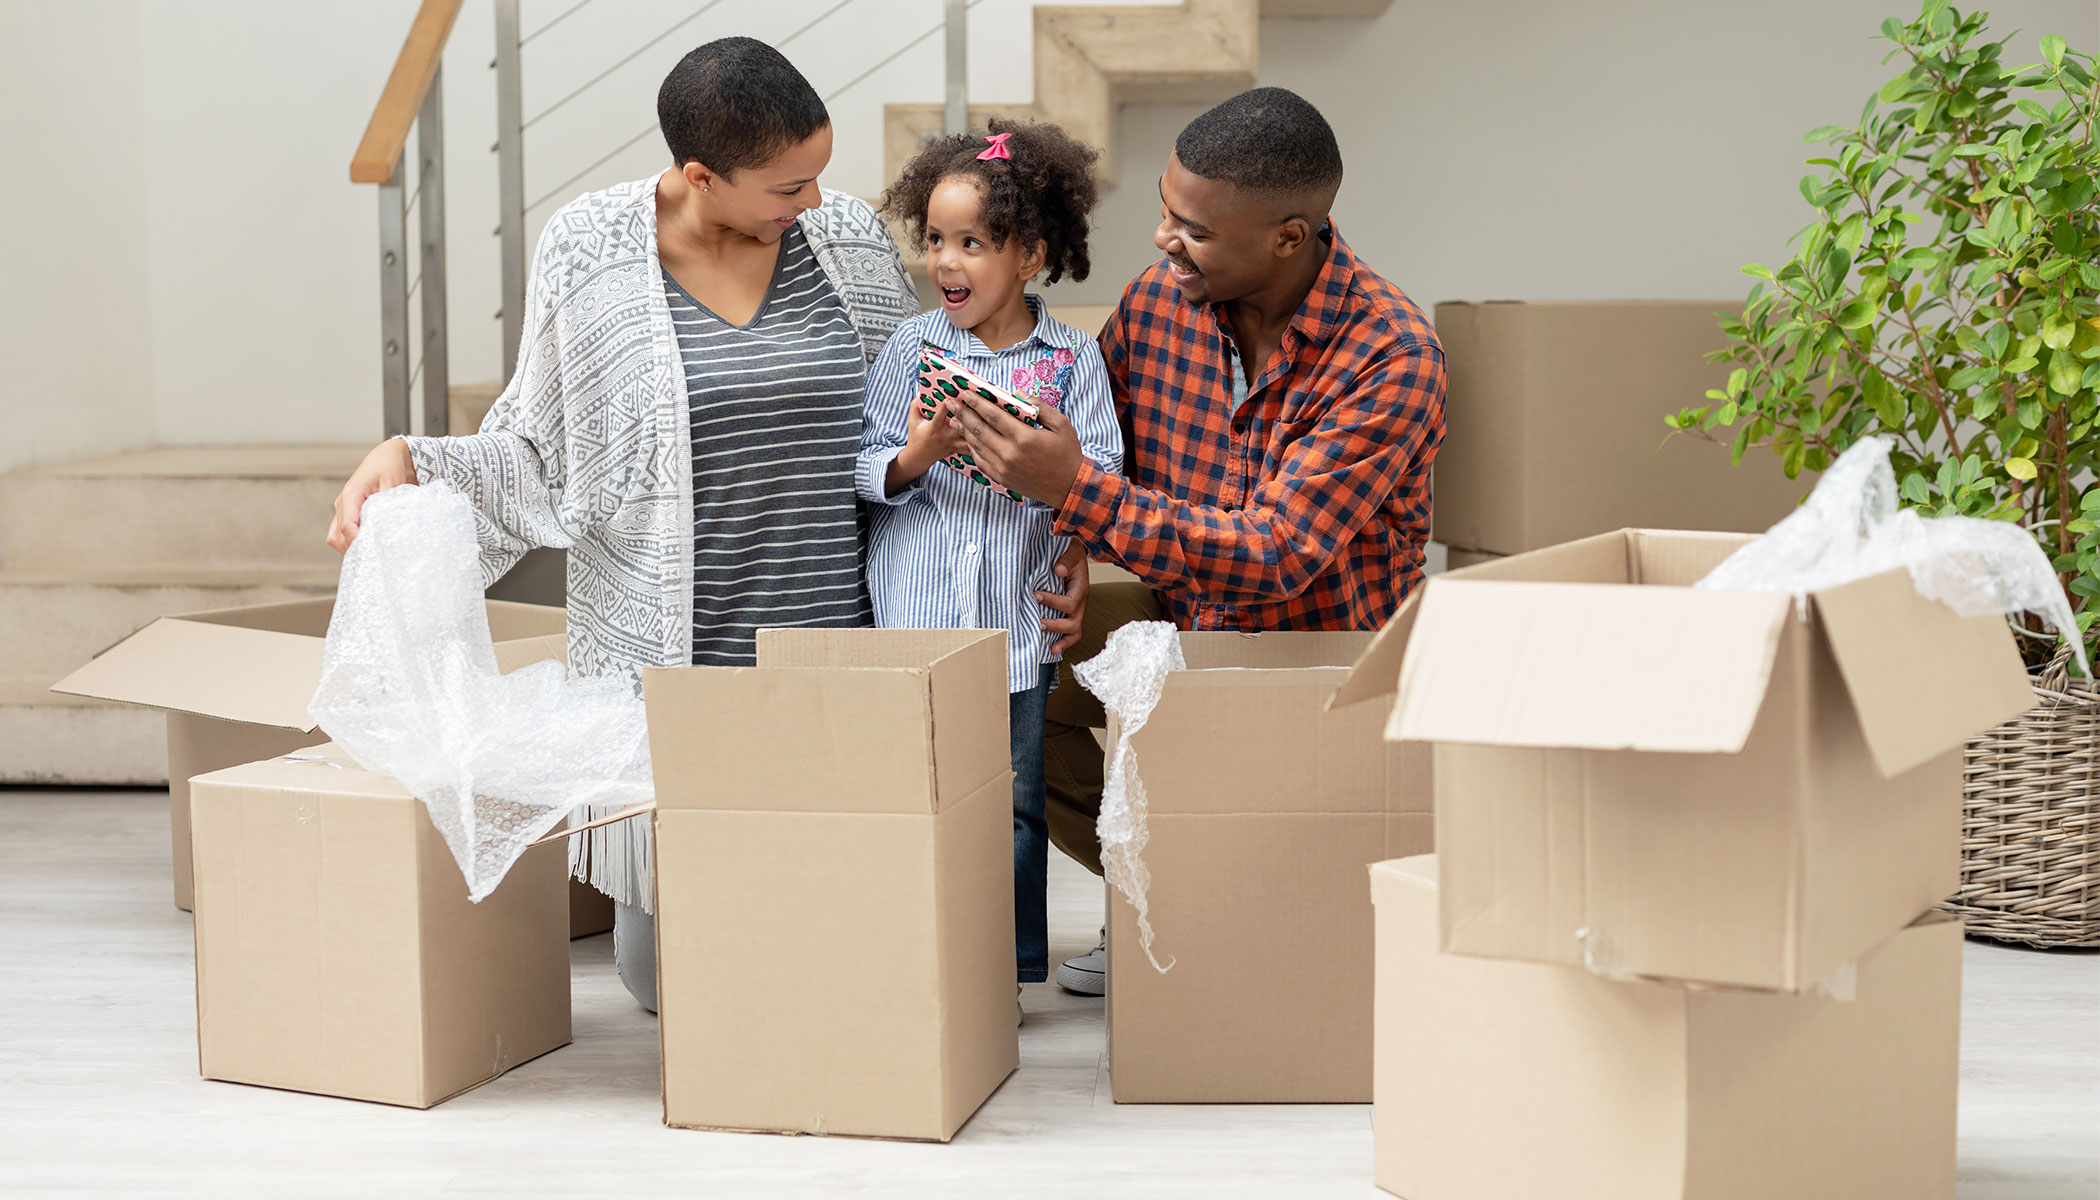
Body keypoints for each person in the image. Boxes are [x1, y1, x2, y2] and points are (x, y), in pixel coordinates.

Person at [323, 39, 1088, 1012]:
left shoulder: (846, 241)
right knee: (669, 984)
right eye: (787, 186)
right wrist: (417, 460)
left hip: (845, 663)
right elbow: (538, 451)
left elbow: (933, 421)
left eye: (817, 175)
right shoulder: (590, 251)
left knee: (854, 970)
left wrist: (1060, 545)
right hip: (681, 685)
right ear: (699, 176)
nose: (814, 202)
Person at [940, 87, 1448, 995]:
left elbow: (1277, 555)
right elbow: (1106, 453)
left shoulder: (1392, 355)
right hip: (1185, 620)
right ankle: (1171, 887)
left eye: (1196, 231)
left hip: (1317, 668)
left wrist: (1072, 490)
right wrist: (1071, 548)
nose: (1166, 243)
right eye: (1166, 214)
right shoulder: (1158, 304)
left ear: (1289, 237)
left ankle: (1246, 897)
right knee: (1014, 667)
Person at [859, 121, 1123, 1006]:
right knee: (912, 798)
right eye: (934, 239)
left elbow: (1104, 478)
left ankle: (1005, 971)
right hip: (915, 625)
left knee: (1013, 805)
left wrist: (1071, 499)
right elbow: (864, 468)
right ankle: (913, 952)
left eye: (972, 241)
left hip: (1016, 628)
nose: (946, 260)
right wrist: (919, 452)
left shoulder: (1072, 358)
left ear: (1031, 254)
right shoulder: (910, 350)